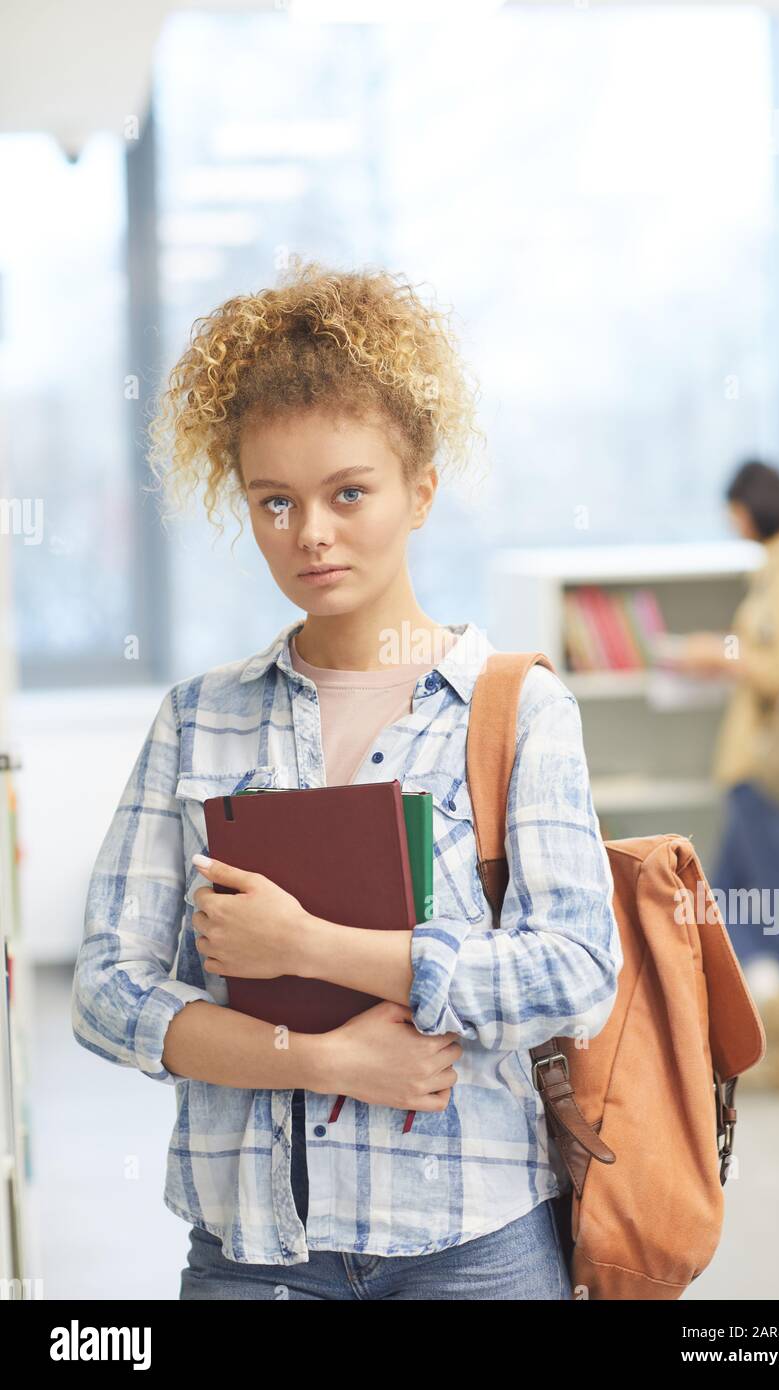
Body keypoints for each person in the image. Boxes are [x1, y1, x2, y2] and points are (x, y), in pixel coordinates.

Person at [70, 257, 622, 1300]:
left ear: (418, 489)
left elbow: (574, 972)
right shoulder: (198, 719)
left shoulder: (513, 711)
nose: (310, 533)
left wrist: (315, 950)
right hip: (253, 1258)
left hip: (475, 1249)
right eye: (273, 502)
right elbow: (105, 992)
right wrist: (317, 1059)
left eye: (347, 492)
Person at [674, 459, 779, 1092]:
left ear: (753, 507)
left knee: (762, 900)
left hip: (764, 766)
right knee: (732, 899)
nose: (732, 522)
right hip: (752, 766)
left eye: (734, 510)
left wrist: (724, 657)